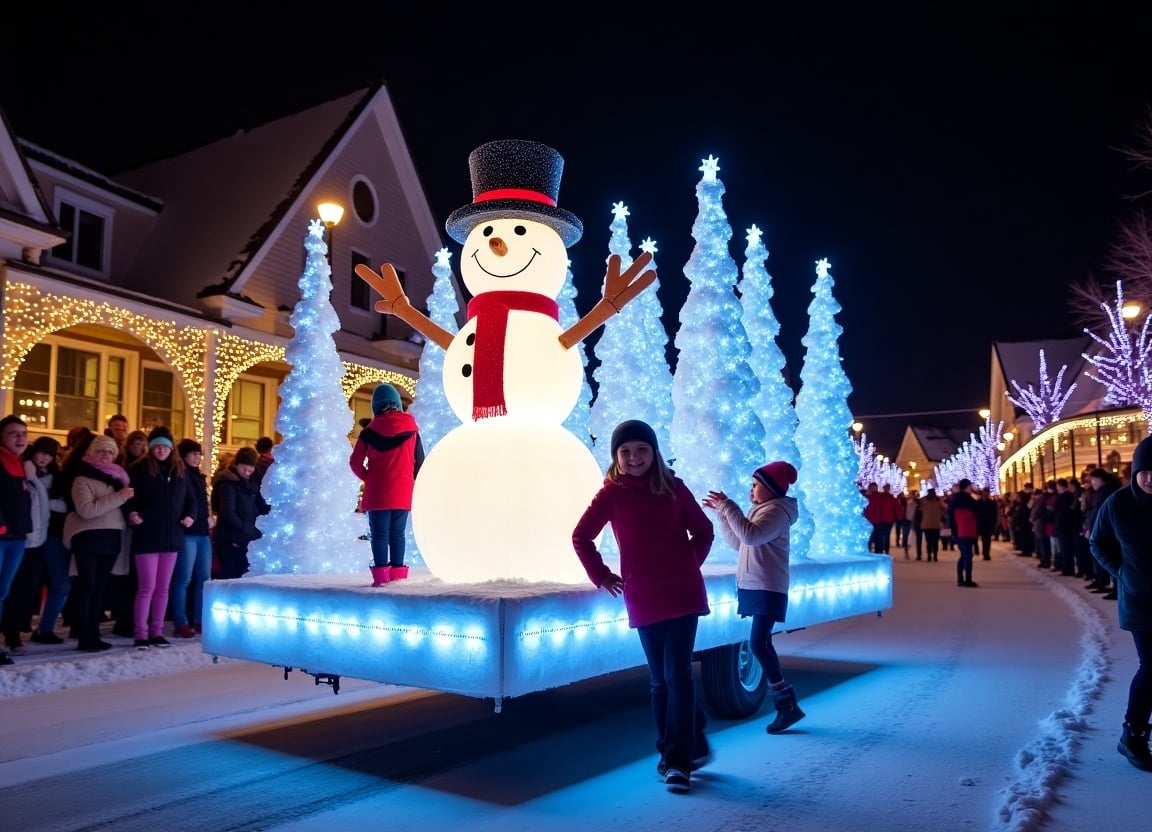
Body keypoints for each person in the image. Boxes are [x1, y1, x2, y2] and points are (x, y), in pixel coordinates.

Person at [572, 420, 715, 792]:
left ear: (654, 452)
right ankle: (678, 747)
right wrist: (601, 576)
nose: (634, 458)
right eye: (625, 451)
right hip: (644, 596)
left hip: (683, 593)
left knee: (678, 676)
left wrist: (687, 565)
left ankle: (676, 761)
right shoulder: (612, 494)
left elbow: (704, 531)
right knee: (660, 681)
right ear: (616, 457)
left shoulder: (674, 489)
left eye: (642, 450)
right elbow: (581, 536)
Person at [703, 460, 805, 734]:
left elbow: (750, 535)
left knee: (758, 643)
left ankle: (787, 705)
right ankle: (788, 706)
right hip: (756, 585)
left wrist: (729, 507)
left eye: (756, 485)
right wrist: (723, 516)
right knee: (762, 643)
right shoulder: (763, 510)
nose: (751, 490)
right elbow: (739, 542)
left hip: (768, 586)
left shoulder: (776, 512)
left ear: (771, 488)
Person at [1088, 434, 1152, 772]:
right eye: (1145, 472)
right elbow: (1098, 544)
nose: (1150, 479)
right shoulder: (1118, 504)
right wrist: (1122, 573)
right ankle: (1134, 734)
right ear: (1135, 472)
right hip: (1142, 602)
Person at [123, 427, 194, 649]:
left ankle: (157, 631)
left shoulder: (180, 470)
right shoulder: (138, 469)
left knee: (163, 587)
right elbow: (127, 497)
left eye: (164, 445)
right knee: (147, 587)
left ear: (171, 448)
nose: (161, 449)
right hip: (147, 535)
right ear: (150, 448)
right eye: (156, 446)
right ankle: (141, 634)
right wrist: (131, 513)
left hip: (172, 536)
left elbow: (192, 500)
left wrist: (190, 516)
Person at [63, 434, 134, 652]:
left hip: (111, 537)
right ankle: (84, 635)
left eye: (110, 452)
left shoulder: (118, 477)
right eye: (101, 451)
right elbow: (86, 510)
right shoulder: (82, 478)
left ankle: (93, 633)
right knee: (87, 587)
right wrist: (120, 497)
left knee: (100, 589)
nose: (105, 455)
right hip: (88, 537)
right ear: (91, 453)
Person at [348, 383, 424, 585]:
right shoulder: (413, 431)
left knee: (379, 535)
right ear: (398, 404)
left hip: (377, 491)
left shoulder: (368, 433)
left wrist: (369, 477)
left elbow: (355, 463)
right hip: (402, 491)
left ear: (376, 406)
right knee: (398, 534)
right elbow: (420, 464)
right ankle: (398, 577)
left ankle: (381, 579)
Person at [170, 439, 214, 637]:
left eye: (199, 454)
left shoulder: (198, 476)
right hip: (188, 532)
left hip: (202, 532)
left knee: (204, 578)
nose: (198, 457)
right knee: (183, 579)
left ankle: (199, 619)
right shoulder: (180, 474)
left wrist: (209, 516)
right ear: (185, 454)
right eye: (194, 454)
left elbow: (202, 502)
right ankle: (181, 621)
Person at [0, 416, 33, 665]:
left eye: (23, 433)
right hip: (2, 536)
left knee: (3, 592)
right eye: (14, 433)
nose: (20, 438)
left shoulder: (21, 464)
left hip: (17, 537)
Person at [212, 447, 269, 579]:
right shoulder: (228, 483)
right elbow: (228, 512)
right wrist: (246, 529)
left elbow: (258, 505)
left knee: (243, 574)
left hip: (245, 536)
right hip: (231, 536)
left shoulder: (252, 482)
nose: (247, 472)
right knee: (231, 574)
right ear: (237, 464)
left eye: (250, 469)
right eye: (244, 469)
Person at [948, 479, 979, 587]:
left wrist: (953, 530)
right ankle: (968, 579)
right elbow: (976, 516)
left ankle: (961, 579)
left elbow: (950, 517)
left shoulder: (954, 499)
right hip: (968, 530)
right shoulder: (970, 500)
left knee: (964, 554)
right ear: (967, 487)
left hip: (958, 531)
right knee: (967, 555)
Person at [919, 488, 943, 562]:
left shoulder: (924, 501)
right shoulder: (938, 501)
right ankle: (935, 556)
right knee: (935, 541)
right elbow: (942, 510)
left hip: (927, 524)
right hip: (936, 524)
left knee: (928, 541)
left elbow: (920, 510)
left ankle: (929, 555)